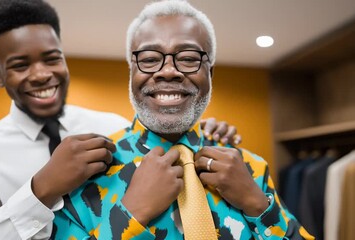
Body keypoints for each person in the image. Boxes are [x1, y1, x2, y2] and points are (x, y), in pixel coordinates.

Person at [0, 0, 240, 239]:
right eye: (20, 65)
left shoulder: (112, 126)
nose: (42, 74)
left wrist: (198, 131)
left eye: (52, 58)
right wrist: (40, 191)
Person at [53, 1, 314, 239]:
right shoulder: (86, 171)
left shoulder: (251, 169)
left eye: (188, 59)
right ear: (131, 71)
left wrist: (257, 205)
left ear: (209, 73)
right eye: (150, 59)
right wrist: (129, 216)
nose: (168, 71)